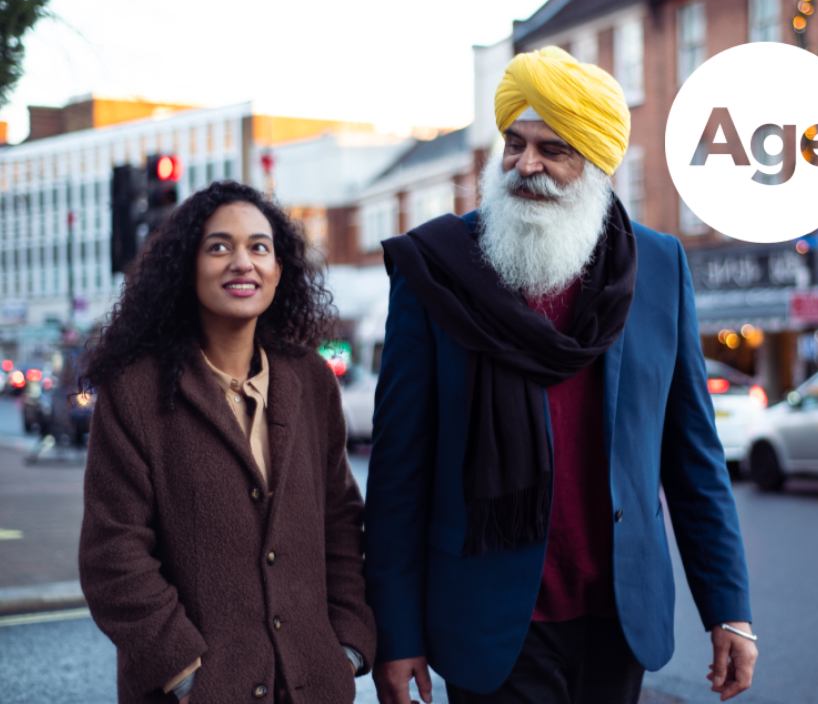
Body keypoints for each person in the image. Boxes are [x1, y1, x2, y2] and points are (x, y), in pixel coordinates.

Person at [367, 46, 756, 704]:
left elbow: (692, 458)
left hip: (617, 615)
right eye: (514, 145)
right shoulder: (436, 270)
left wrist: (728, 608)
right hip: (489, 622)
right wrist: (396, 631)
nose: (527, 166)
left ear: (597, 164)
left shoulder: (659, 268)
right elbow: (399, 470)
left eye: (554, 150)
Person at [79, 181, 375, 703]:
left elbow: (340, 524)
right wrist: (185, 672)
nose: (243, 262)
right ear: (186, 267)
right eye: (219, 247)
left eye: (259, 247)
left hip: (312, 687)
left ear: (279, 270)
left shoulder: (310, 380)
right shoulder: (135, 391)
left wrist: (348, 644)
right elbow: (113, 552)